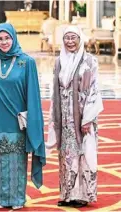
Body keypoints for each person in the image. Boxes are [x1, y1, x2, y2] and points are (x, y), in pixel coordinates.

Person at [0, 23, 46, 209]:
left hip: (18, 123)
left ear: (14, 38)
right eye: (0, 39)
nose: (4, 42)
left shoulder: (27, 62)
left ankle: (17, 199)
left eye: (7, 38)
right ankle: (1, 199)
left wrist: (34, 122)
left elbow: (33, 95)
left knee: (17, 164)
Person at [46, 26, 103, 208]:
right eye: (67, 38)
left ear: (80, 39)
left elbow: (94, 90)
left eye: (73, 37)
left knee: (83, 153)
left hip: (82, 117)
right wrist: (54, 117)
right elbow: (55, 90)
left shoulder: (89, 61)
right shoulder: (59, 61)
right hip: (64, 117)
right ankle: (67, 194)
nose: (70, 41)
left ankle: (82, 195)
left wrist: (87, 118)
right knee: (66, 155)